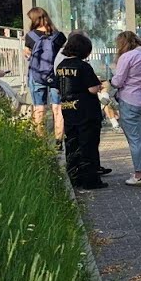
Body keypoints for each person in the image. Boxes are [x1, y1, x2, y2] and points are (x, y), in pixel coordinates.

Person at [56, 32, 107, 190]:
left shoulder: (61, 66)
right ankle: (90, 180)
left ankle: (74, 176)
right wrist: (100, 85)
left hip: (68, 109)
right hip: (86, 110)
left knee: (72, 143)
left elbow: (59, 89)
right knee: (89, 145)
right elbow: (92, 89)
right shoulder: (83, 66)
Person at [110, 30, 141, 187]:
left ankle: (138, 175)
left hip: (131, 101)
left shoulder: (127, 57)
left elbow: (118, 82)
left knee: (135, 140)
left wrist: (109, 81)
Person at [24, 7, 67, 149]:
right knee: (58, 109)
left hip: (36, 76)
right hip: (55, 76)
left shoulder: (30, 36)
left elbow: (28, 55)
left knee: (39, 108)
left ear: (34, 19)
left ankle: (40, 142)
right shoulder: (59, 36)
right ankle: (58, 142)